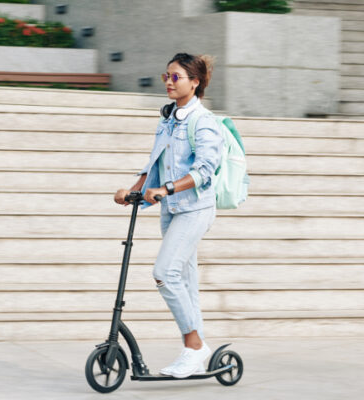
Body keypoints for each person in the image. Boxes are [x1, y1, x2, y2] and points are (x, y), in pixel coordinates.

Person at [114, 53, 223, 379]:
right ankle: (194, 354)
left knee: (164, 273)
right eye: (166, 76)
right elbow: (155, 164)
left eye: (175, 77)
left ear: (195, 82)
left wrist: (168, 189)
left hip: (194, 209)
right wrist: (133, 190)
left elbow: (205, 170)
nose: (168, 82)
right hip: (171, 210)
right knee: (186, 283)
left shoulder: (203, 122)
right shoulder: (168, 118)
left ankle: (194, 343)